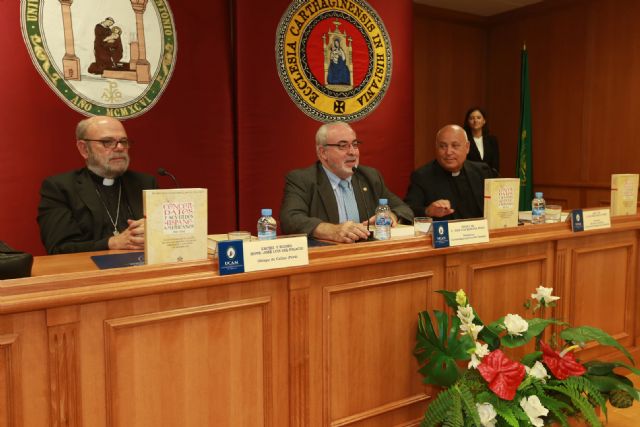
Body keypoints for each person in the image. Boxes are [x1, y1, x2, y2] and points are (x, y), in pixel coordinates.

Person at [37, 116, 156, 254]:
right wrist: (111, 243)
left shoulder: (145, 183)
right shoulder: (60, 188)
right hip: (88, 271)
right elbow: (58, 247)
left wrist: (155, 230)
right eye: (107, 142)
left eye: (123, 141)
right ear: (84, 149)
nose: (120, 147)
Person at [280, 121, 413, 243]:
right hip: (327, 259)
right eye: (343, 146)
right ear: (323, 153)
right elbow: (290, 219)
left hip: (369, 255)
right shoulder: (303, 179)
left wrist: (392, 215)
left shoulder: (369, 176)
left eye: (355, 145)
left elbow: (404, 209)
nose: (352, 152)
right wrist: (331, 230)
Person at [404, 124, 497, 220]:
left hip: (481, 233)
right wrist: (427, 211)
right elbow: (407, 210)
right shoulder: (422, 176)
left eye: (455, 146)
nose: (448, 152)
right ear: (436, 147)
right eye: (443, 146)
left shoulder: (482, 171)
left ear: (467, 147)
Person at [463, 107, 500, 173]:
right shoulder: (464, 140)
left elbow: (495, 164)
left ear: (484, 121)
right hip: (470, 178)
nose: (475, 121)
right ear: (468, 122)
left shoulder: (492, 140)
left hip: (488, 179)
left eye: (478, 118)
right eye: (472, 118)